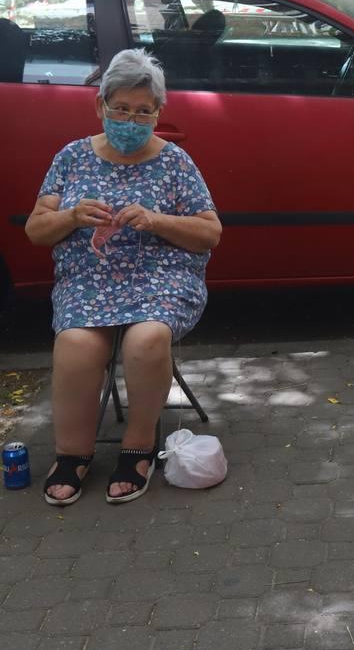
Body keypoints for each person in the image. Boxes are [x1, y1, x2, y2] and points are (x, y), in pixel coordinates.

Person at [26, 49, 222, 506]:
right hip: (89, 281)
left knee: (147, 338)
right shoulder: (72, 157)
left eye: (142, 111)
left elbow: (210, 233)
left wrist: (157, 221)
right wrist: (73, 216)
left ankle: (138, 449)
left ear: (157, 114)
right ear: (101, 106)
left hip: (162, 278)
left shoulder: (175, 162)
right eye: (121, 109)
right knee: (75, 342)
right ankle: (72, 454)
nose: (130, 120)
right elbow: (36, 230)